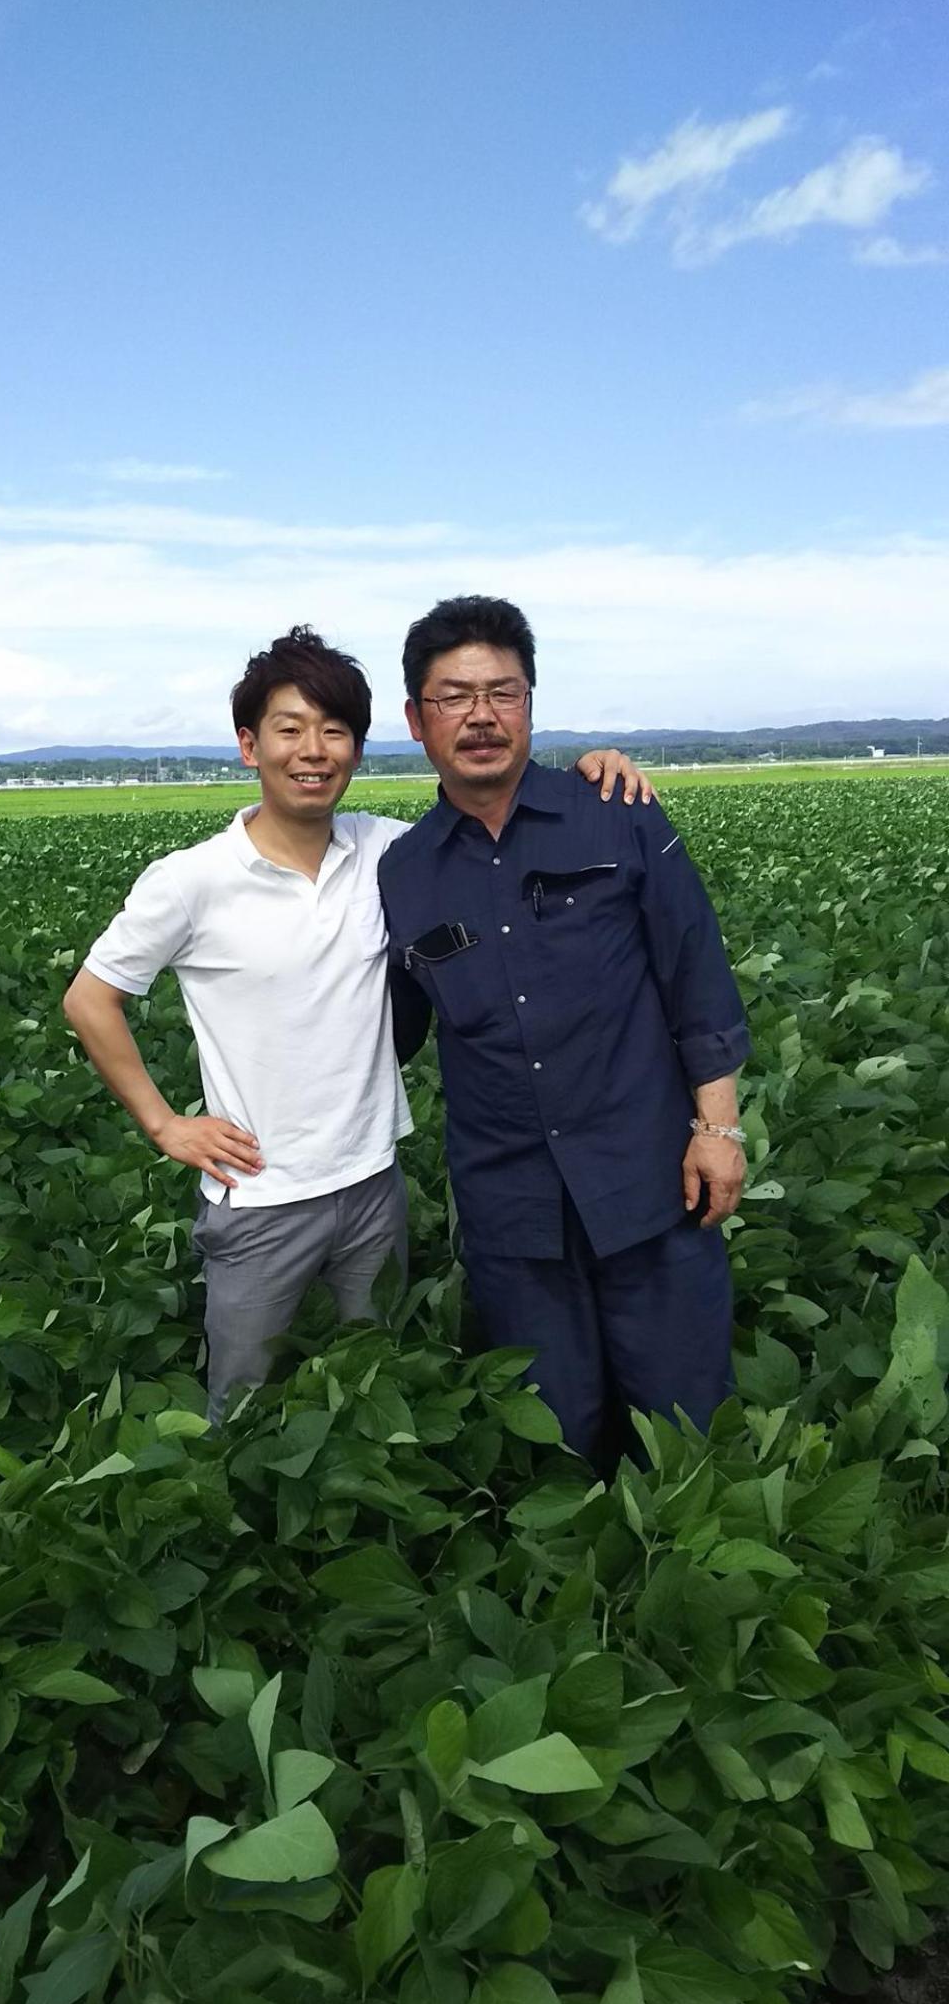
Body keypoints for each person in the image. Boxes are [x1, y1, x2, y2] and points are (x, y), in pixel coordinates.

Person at [63, 625, 654, 1420]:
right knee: (243, 1412)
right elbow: (90, 997)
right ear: (249, 745)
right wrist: (167, 1125)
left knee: (375, 1404)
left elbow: (489, 834)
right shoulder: (192, 881)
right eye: (290, 729)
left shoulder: (389, 853)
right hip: (260, 1197)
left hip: (375, 1184)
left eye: (335, 730)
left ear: (359, 747)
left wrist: (591, 775)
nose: (314, 751)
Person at [380, 595, 749, 1469]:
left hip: (651, 1178)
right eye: (453, 696)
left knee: (686, 1419)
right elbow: (382, 1032)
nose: (481, 716)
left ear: (531, 703)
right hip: (512, 1205)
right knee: (553, 1432)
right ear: (415, 720)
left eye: (502, 692)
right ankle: (575, 1595)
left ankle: (699, 1584)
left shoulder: (615, 810)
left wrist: (719, 1126)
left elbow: (693, 970)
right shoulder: (403, 872)